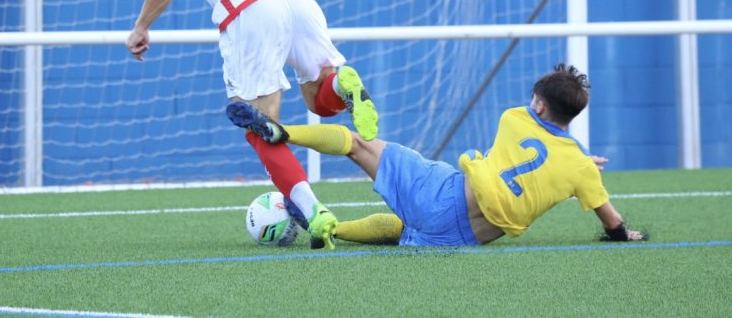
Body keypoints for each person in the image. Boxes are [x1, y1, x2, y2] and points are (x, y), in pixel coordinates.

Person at [126, 0, 378, 250]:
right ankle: (343, 84)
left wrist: (141, 27)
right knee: (318, 99)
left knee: (259, 126)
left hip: (250, 9)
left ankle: (314, 213)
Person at [226, 63, 647, 247]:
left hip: (446, 191)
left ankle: (284, 131)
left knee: (359, 143)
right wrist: (623, 232)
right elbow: (611, 222)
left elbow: (537, 142)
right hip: (459, 238)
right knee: (401, 230)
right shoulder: (577, 168)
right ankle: (332, 231)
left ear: (537, 105)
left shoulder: (514, 117)